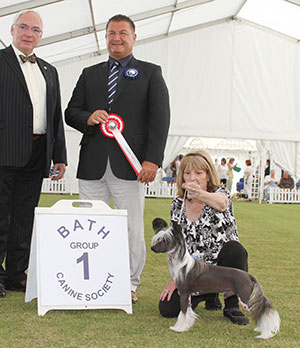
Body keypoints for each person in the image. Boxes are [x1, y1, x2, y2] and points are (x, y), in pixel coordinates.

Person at [65, 14, 170, 303]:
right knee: (88, 226)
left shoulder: (151, 73)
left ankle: (130, 283)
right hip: (92, 165)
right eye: (111, 33)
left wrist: (152, 160)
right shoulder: (90, 73)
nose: (116, 38)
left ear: (134, 37)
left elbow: (159, 119)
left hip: (131, 166)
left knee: (131, 227)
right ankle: (91, 277)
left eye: (123, 33)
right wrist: (88, 117)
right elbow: (70, 112)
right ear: (105, 37)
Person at [0, 10, 67, 298]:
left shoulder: (49, 71)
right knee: (0, 214)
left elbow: (55, 118)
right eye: (24, 27)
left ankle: (16, 273)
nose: (29, 33)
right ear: (12, 30)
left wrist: (59, 156)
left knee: (25, 216)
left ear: (41, 35)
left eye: (35, 29)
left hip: (38, 151)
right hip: (4, 151)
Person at [159, 150, 249, 326]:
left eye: (199, 173)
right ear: (182, 177)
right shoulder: (177, 204)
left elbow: (222, 203)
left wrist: (200, 195)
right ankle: (209, 294)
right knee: (167, 309)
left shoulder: (220, 193)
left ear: (208, 176)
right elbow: (176, 247)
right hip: (194, 271)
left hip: (222, 266)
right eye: (187, 173)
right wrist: (175, 279)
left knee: (235, 250)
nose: (192, 177)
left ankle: (231, 303)